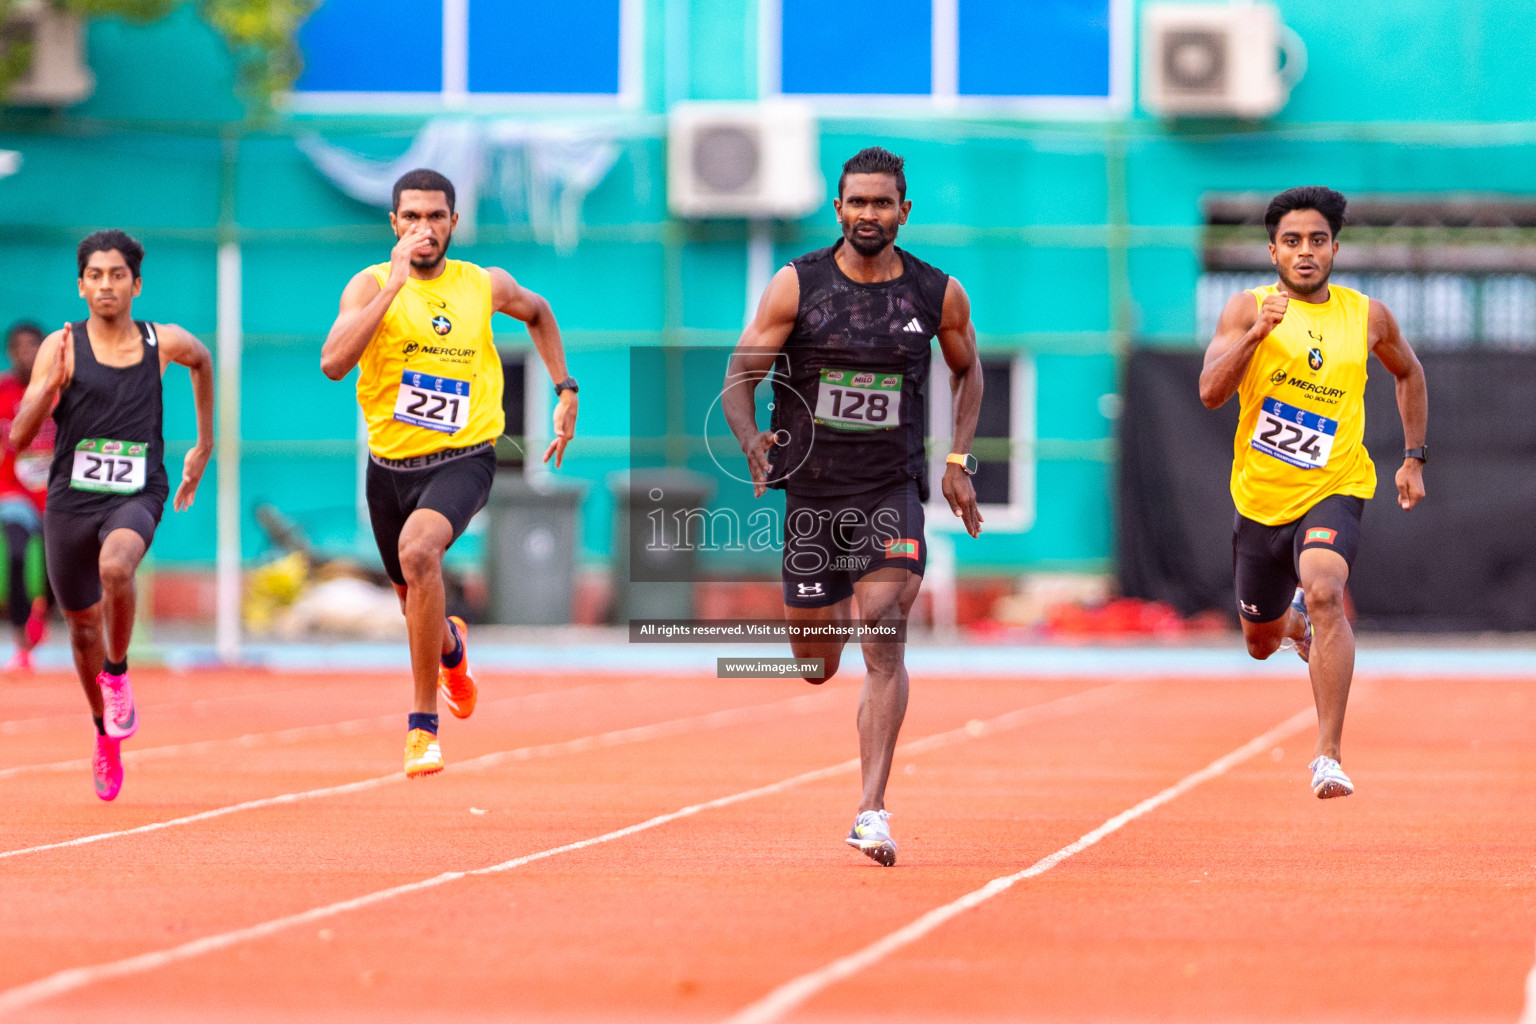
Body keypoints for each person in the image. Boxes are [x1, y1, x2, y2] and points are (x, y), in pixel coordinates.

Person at [722, 147, 984, 865]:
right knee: (814, 663)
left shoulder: (935, 294)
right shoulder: (796, 285)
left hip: (889, 490)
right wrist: (751, 441)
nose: (870, 215)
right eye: (857, 203)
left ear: (905, 210)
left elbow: (969, 372)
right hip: (812, 492)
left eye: (882, 203)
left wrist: (959, 459)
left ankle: (871, 808)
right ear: (838, 209)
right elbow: (740, 373)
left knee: (886, 627)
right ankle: (826, 612)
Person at [322, 168, 578, 779]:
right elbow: (334, 363)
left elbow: (539, 313)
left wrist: (564, 387)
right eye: (411, 217)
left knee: (420, 550)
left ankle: (420, 728)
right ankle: (452, 652)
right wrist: (393, 287)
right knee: (415, 604)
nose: (424, 228)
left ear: (454, 222)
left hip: (464, 457)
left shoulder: (482, 285)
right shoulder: (370, 284)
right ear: (393, 223)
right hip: (389, 468)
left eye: (436, 216)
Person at [1199, 185, 1428, 799]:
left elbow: (1409, 371)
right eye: (1292, 242)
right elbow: (1210, 394)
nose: (1306, 252)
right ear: (1272, 251)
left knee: (1326, 589)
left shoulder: (1367, 316)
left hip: (1337, 485)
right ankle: (1291, 625)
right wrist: (1254, 338)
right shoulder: (1247, 310)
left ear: (1334, 248)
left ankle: (1328, 754)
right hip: (1260, 501)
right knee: (1260, 642)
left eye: (1318, 241)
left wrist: (1412, 457)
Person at [10, 230, 215, 801]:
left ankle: (118, 673)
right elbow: (21, 439)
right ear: (81, 286)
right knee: (79, 629)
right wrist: (47, 385)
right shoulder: (61, 346)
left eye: (117, 275)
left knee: (118, 568)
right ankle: (104, 732)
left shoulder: (162, 341)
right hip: (71, 500)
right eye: (95, 276)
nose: (106, 285)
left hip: (137, 490)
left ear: (136, 284)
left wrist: (204, 444)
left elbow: (202, 360)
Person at [0, 321, 55, 670]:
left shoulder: (59, 390)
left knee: (58, 561)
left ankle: (42, 613)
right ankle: (21, 629)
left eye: (33, 346)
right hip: (13, 490)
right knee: (17, 550)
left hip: (54, 493)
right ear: (10, 353)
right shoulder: (3, 392)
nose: (26, 353)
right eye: (18, 347)